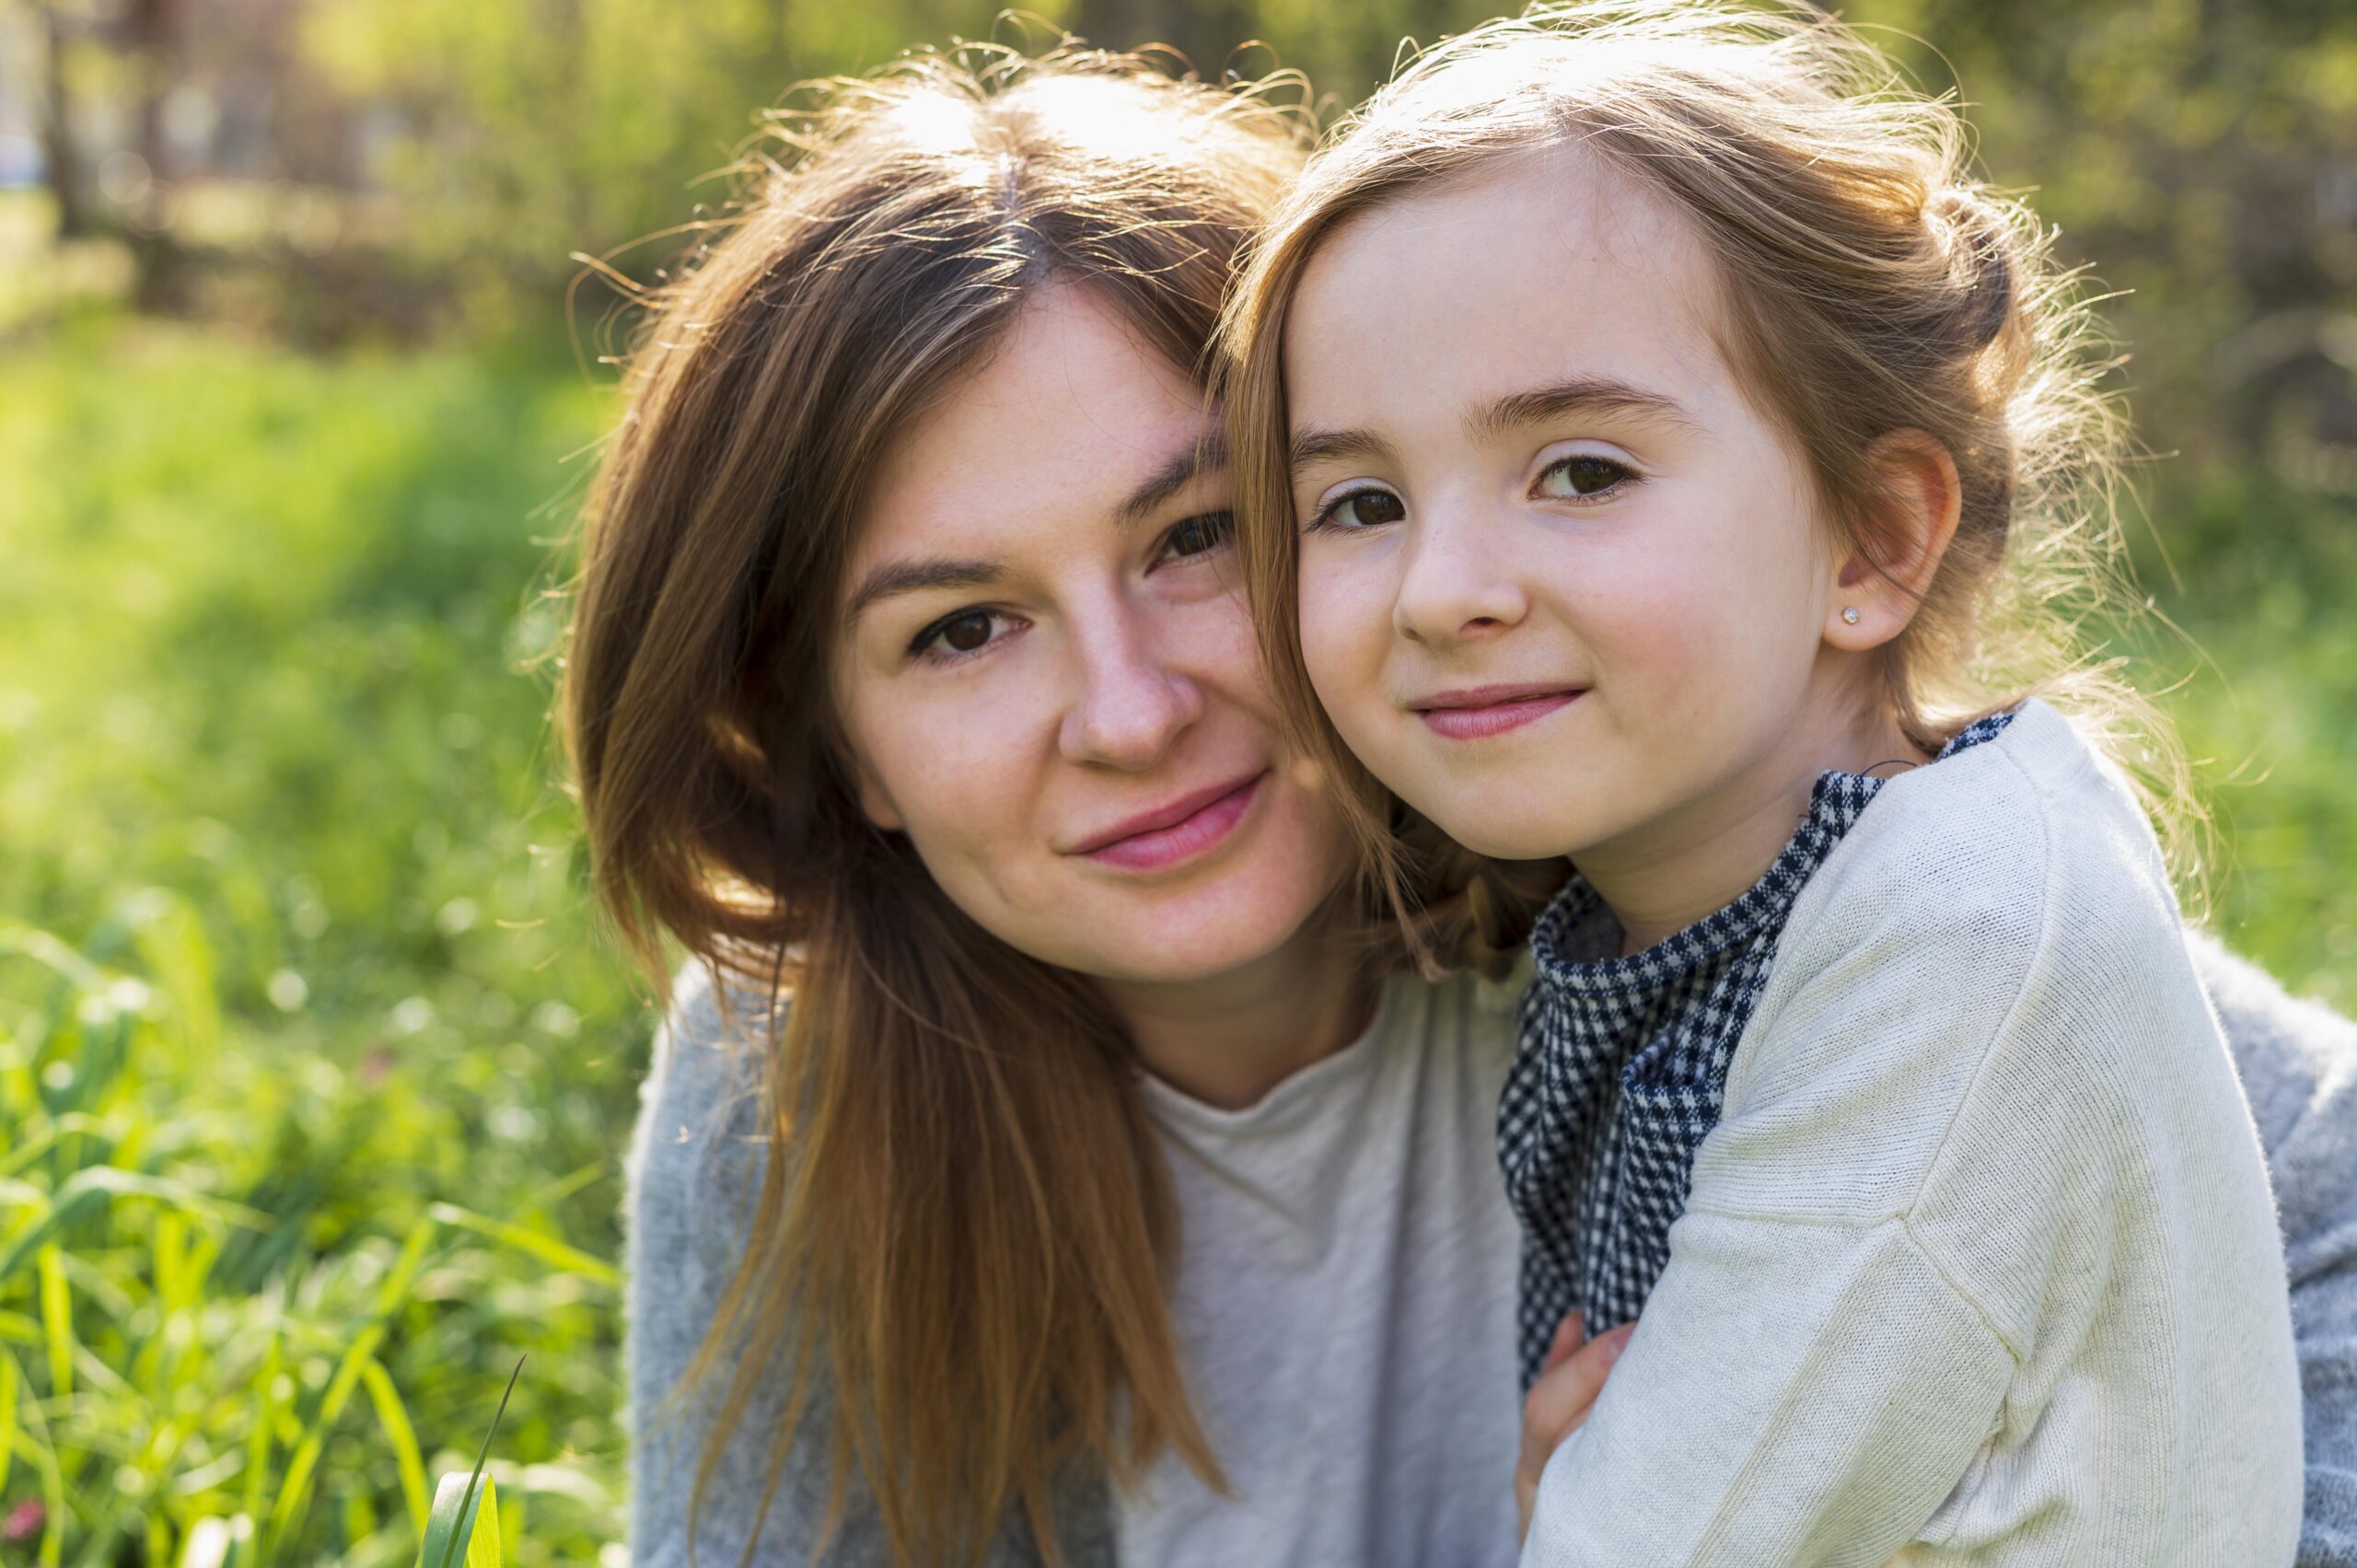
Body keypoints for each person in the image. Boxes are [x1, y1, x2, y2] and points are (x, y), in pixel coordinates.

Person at [568, 38, 2357, 1568]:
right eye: (960, 630)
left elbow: (2310, 1181)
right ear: (837, 750)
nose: (1123, 715)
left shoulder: (1684, 866)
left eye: (1194, 540)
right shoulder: (809, 1077)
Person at [1222, 1, 2302, 1561]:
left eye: (1581, 471)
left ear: (1873, 541)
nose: (1439, 588)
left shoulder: (1959, 939)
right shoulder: (1689, 892)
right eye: (1362, 500)